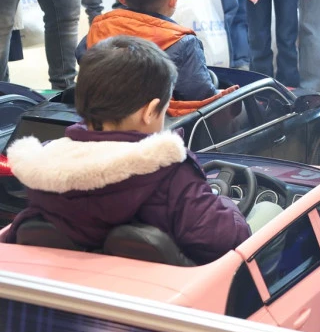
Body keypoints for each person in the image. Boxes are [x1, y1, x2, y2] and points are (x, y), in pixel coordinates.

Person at [2, 36, 260, 263]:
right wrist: (228, 205)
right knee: (266, 213)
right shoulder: (169, 173)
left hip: (77, 289)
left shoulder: (44, 168)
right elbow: (224, 239)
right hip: (162, 294)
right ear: (150, 112)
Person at [77, 0, 217, 102]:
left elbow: (82, 57)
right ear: (174, 0)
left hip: (100, 110)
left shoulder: (100, 27)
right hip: (158, 115)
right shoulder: (183, 43)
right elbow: (200, 94)